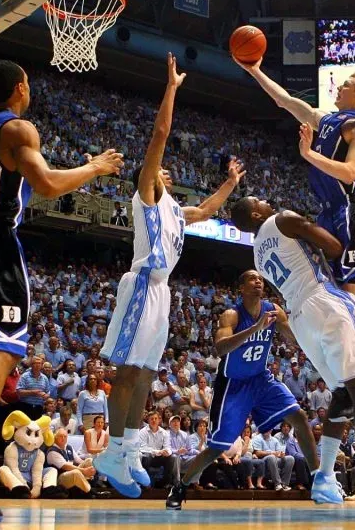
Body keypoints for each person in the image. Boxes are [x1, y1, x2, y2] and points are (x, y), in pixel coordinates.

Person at [0, 59, 123, 522]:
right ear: (19, 88)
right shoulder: (17, 128)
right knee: (5, 347)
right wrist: (94, 166)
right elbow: (49, 183)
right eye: (29, 84)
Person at [235, 57, 355, 421]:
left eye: (344, 86)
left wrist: (308, 155)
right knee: (349, 300)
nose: (338, 88)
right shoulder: (326, 119)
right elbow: (284, 101)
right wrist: (254, 70)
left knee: (353, 301)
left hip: (347, 213)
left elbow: (351, 171)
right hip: (328, 212)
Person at [95, 54, 246, 499]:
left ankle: (130, 448)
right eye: (159, 166)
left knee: (145, 375)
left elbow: (211, 209)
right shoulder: (146, 195)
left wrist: (231, 183)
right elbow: (160, 134)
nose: (164, 169)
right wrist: (172, 88)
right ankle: (114, 450)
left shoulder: (178, 212)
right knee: (126, 373)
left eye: (164, 169)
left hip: (162, 294)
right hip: (141, 285)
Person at [229, 195, 355, 516]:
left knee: (342, 394)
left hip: (300, 318)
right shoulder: (282, 219)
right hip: (323, 300)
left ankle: (324, 477)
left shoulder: (257, 254)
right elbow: (335, 247)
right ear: (256, 213)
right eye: (260, 200)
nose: (267, 200)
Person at [166, 271, 318, 509]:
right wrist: (255, 328)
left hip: (260, 379)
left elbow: (292, 338)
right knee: (217, 448)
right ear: (242, 289)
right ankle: (181, 487)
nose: (258, 281)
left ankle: (320, 479)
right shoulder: (232, 315)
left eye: (260, 278)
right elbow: (220, 348)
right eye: (251, 279)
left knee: (299, 417)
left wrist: (300, 323)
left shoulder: (273, 310)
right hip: (233, 385)